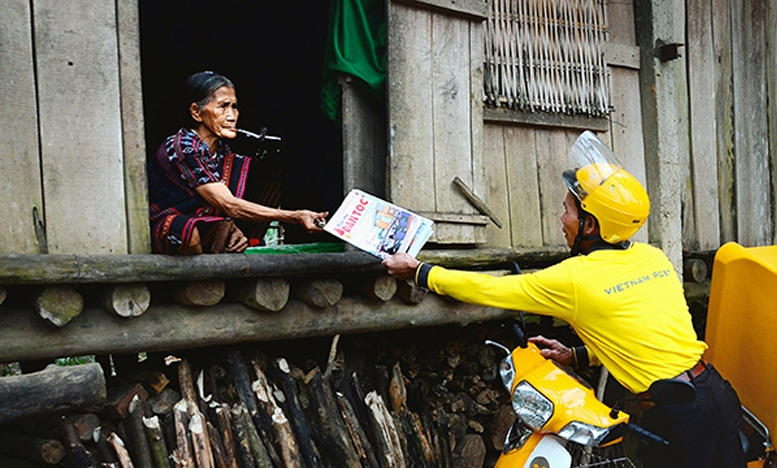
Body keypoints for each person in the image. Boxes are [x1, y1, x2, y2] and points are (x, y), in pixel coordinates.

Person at [383, 131, 745, 467]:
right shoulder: (653, 257)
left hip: (679, 416)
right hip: (717, 395)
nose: (561, 218)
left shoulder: (574, 279)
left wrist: (419, 271)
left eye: (568, 210)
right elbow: (645, 337)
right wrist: (576, 355)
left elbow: (490, 289)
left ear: (590, 225)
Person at [148, 71, 328, 254]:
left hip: (203, 226)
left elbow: (222, 211)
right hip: (167, 231)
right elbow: (229, 205)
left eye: (234, 107)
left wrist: (231, 229)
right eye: (223, 106)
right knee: (187, 232)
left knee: (233, 238)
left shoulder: (222, 151)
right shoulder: (183, 146)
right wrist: (296, 216)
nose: (232, 116)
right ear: (196, 112)